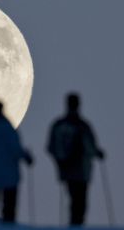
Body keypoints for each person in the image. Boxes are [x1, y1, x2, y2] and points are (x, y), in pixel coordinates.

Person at [47, 93, 105, 226]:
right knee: (80, 201)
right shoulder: (82, 125)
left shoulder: (58, 125)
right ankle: (76, 224)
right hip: (81, 170)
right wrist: (98, 153)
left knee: (73, 198)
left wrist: (60, 161)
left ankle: (74, 223)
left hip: (66, 169)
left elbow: (50, 147)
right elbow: (90, 146)